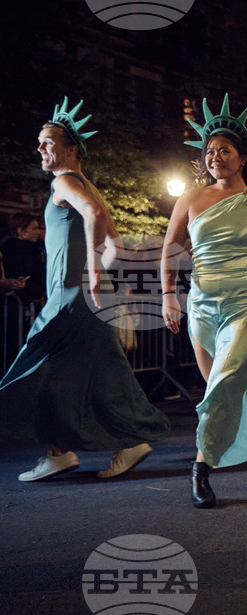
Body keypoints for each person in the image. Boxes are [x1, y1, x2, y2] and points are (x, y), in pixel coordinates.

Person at [0, 98, 169, 481]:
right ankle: (66, 451)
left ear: (70, 149)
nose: (39, 149)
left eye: (47, 143)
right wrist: (99, 283)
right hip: (87, 298)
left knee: (38, 368)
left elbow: (94, 220)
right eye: (39, 143)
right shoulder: (87, 186)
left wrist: (89, 272)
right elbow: (117, 247)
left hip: (68, 298)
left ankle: (91, 447)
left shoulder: (65, 182)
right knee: (85, 375)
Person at [161, 95, 247, 508]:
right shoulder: (191, 200)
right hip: (201, 306)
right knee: (240, 386)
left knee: (223, 384)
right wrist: (169, 297)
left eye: (224, 150)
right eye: (210, 151)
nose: (215, 157)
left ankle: (200, 469)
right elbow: (168, 251)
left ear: (243, 156)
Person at [2, 214, 47, 307]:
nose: (38, 232)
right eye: (34, 229)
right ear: (20, 231)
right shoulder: (14, 251)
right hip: (19, 306)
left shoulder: (34, 250)